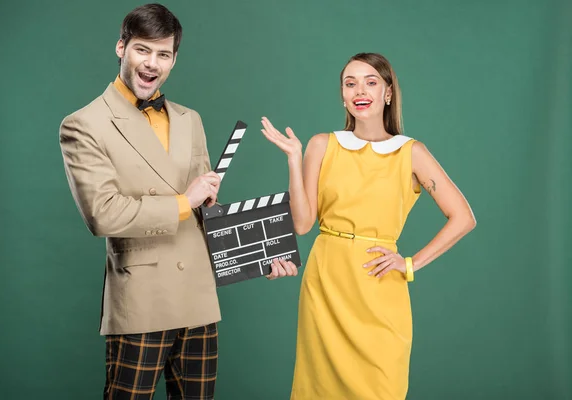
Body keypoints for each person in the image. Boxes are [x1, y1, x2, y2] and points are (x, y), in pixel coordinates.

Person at [59, 4, 296, 399]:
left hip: (199, 300)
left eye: (163, 54)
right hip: (140, 301)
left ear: (173, 59)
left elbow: (207, 213)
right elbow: (103, 214)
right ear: (121, 47)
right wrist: (184, 201)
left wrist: (257, 256)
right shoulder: (84, 124)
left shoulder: (191, 120)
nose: (152, 63)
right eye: (142, 50)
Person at [260, 52, 477, 399]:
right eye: (350, 83)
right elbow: (302, 224)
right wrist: (293, 159)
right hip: (327, 283)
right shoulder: (321, 145)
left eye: (371, 81)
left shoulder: (412, 152)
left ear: (388, 93)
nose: (360, 90)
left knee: (382, 386)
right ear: (343, 95)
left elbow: (464, 217)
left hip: (380, 286)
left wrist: (410, 263)